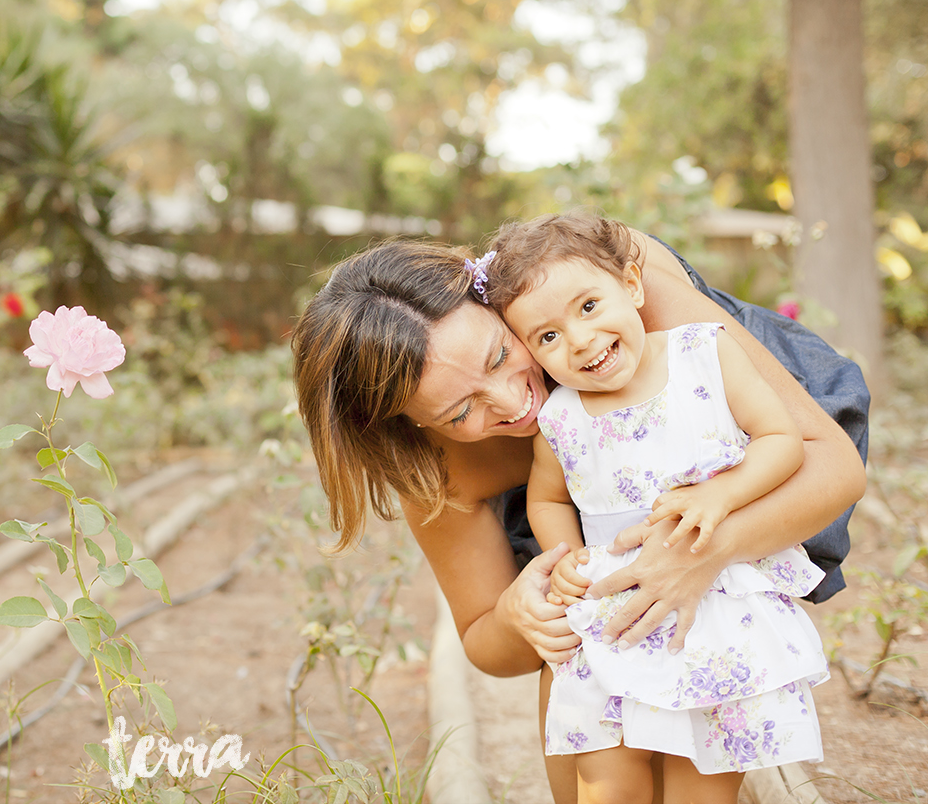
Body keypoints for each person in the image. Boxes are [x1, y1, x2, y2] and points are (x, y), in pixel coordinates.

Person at [290, 227, 866, 804]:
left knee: (701, 732)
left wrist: (702, 552)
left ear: (491, 299)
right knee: (581, 660)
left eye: (499, 355)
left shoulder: (593, 298)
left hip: (738, 466)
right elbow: (484, 639)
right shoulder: (435, 469)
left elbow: (831, 469)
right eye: (462, 408)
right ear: (410, 420)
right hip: (589, 510)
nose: (516, 404)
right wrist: (520, 617)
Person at [481, 214, 829, 804]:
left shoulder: (704, 357)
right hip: (617, 614)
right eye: (548, 337)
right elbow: (547, 496)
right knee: (606, 781)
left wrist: (723, 493)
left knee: (705, 782)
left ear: (633, 287)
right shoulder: (560, 418)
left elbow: (781, 439)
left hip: (713, 617)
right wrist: (566, 556)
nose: (580, 340)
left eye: (588, 307)